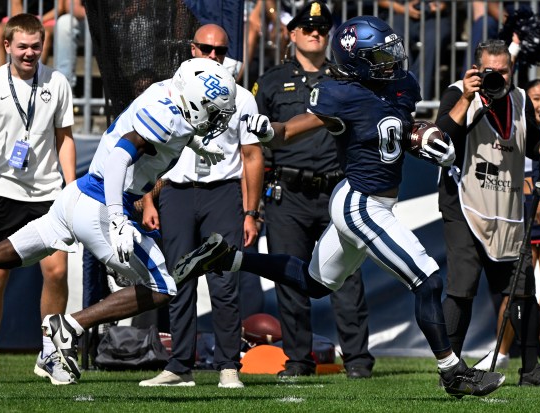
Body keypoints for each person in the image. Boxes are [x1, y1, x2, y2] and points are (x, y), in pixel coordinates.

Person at [173, 15, 506, 399]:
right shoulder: (341, 94)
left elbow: (397, 125)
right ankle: (453, 372)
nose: (391, 59)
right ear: (357, 61)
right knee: (428, 279)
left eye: (389, 49)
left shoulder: (401, 85)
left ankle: (227, 259)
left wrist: (422, 134)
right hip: (360, 203)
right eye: (380, 54)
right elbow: (293, 129)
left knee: (314, 283)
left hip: (373, 201)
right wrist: (270, 130)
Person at [0, 56, 236, 383]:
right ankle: (70, 325)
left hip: (76, 195)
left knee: (3, 254)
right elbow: (122, 154)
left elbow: (171, 133)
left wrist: (196, 146)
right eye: (215, 110)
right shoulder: (166, 116)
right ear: (196, 99)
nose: (217, 119)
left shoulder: (169, 95)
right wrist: (119, 219)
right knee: (164, 287)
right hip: (102, 207)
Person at [138, 23, 264, 389]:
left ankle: (228, 366)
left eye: (220, 52)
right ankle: (179, 366)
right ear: (192, 49)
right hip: (176, 191)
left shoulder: (241, 96)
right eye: (206, 49)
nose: (213, 57)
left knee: (224, 283)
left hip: (222, 192)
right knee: (178, 281)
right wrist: (148, 199)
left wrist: (251, 212)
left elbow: (252, 155)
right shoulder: (165, 91)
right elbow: (149, 149)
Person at [253, 2, 375, 379]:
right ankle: (298, 360)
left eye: (322, 28)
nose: (315, 33)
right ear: (291, 34)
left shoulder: (348, 80)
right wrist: (253, 204)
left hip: (338, 189)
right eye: (307, 27)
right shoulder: (271, 81)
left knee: (347, 280)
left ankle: (357, 361)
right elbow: (253, 144)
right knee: (290, 279)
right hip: (285, 194)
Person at [434, 39, 540, 387]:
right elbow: (439, 139)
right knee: (462, 286)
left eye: (504, 71)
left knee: (522, 288)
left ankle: (531, 369)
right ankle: (451, 370)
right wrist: (465, 96)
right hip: (464, 203)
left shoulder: (520, 99)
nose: (497, 77)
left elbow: (534, 147)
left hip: (505, 206)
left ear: (512, 69)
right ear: (477, 69)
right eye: (490, 71)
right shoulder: (458, 93)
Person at [0, 13, 75, 386]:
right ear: (7, 45)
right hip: (0, 191)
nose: (29, 53)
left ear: (44, 45)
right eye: (22, 46)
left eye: (36, 46)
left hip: (48, 194)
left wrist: (72, 189)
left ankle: (51, 354)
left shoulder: (57, 82)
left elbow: (65, 137)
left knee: (56, 272)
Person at [378, 0, 450, 104]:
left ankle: (419, 98)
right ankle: (402, 94)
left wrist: (441, 4)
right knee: (392, 37)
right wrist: (402, 8)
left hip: (435, 17)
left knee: (434, 38)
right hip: (398, 14)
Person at [54, 0, 87, 90]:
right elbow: (72, 7)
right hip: (91, 21)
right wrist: (100, 16)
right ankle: (64, 90)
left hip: (122, 22)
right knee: (65, 23)